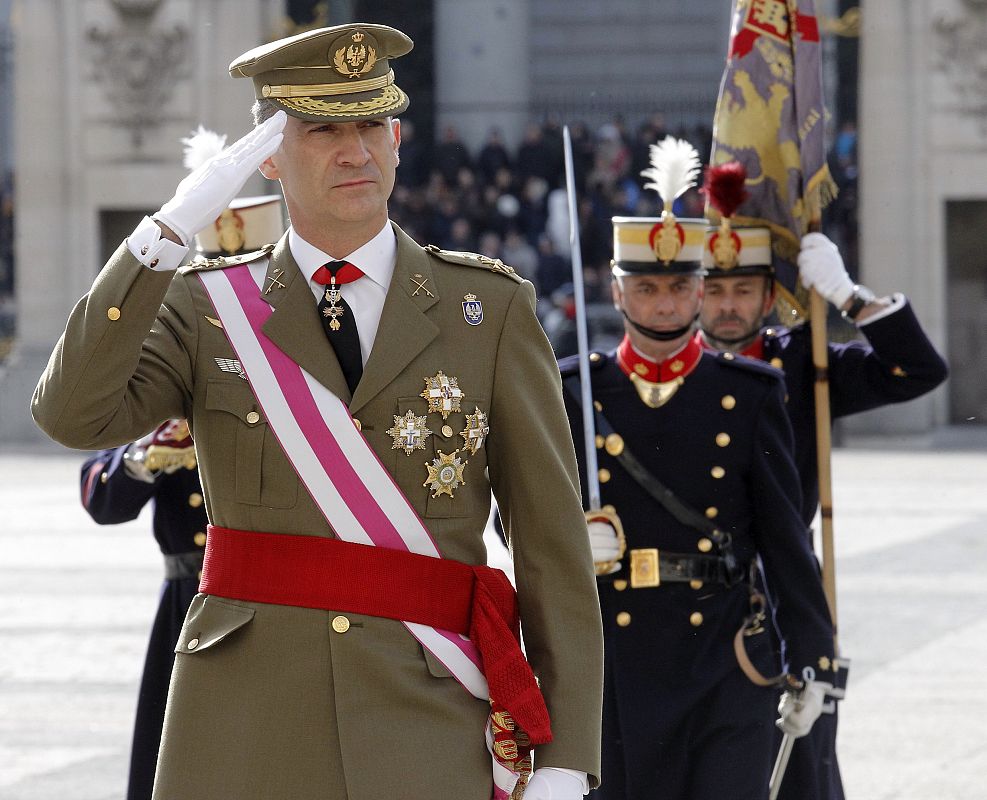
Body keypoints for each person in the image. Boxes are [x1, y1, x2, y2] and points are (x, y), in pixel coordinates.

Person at [33, 22, 602, 800]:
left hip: (426, 714)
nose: (355, 151)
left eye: (372, 124)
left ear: (398, 139)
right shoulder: (204, 307)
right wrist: (158, 243)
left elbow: (550, 545)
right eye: (322, 129)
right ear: (268, 154)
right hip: (243, 719)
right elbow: (72, 416)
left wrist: (565, 755)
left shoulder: (487, 308)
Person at [562, 204, 836, 798]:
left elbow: (785, 541)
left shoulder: (749, 394)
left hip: (724, 658)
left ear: (699, 291)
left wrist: (812, 659)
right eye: (646, 287)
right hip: (618, 659)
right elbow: (521, 521)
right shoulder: (576, 394)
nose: (663, 304)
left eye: (679, 286)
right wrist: (570, 536)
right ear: (616, 290)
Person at [698, 223, 948, 800]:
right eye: (715, 291)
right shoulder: (668, 372)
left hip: (789, 593)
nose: (729, 307)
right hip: (692, 599)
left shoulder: (803, 363)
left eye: (743, 291)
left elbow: (919, 371)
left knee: (804, 769)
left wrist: (848, 297)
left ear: (769, 297)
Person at [80, 420, 203, 800]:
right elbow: (104, 502)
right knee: (175, 750)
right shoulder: (166, 408)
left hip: (273, 597)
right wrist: (150, 448)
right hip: (188, 600)